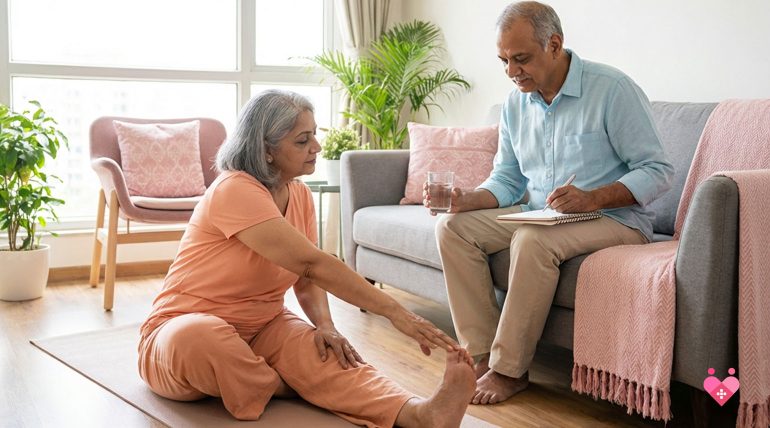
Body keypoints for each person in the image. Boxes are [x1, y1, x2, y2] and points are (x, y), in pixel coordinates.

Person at [138, 89, 476, 427]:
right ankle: (284, 385)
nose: (316, 146)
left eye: (314, 135)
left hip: (265, 327)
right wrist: (394, 311)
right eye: (302, 141)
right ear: (266, 151)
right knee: (201, 336)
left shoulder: (298, 192)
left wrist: (326, 326)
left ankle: (419, 414)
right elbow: (312, 264)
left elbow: (304, 276)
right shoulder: (234, 189)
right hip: (180, 332)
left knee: (327, 351)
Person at [426, 1, 674, 406]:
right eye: (504, 60)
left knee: (531, 240)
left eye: (521, 58)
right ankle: (484, 355)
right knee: (453, 228)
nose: (511, 71)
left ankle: (510, 370)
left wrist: (593, 197)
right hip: (544, 214)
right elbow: (508, 179)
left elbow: (659, 169)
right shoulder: (514, 104)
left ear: (554, 45)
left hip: (615, 218)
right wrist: (466, 199)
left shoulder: (611, 89)